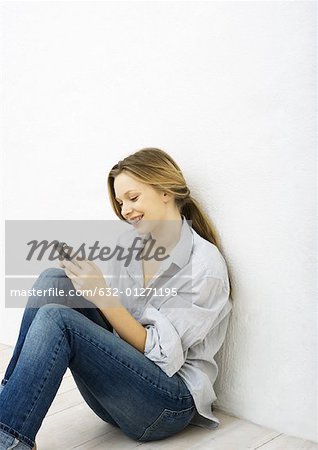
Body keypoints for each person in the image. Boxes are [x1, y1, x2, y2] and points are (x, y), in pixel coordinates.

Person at [0, 147, 233, 449]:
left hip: (166, 405)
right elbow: (119, 327)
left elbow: (165, 359)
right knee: (54, 280)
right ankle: (7, 408)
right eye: (121, 202)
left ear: (165, 191)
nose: (125, 210)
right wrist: (88, 285)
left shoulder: (205, 266)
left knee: (58, 319)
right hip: (121, 394)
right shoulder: (130, 245)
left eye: (133, 198)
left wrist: (100, 294)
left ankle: (8, 440)